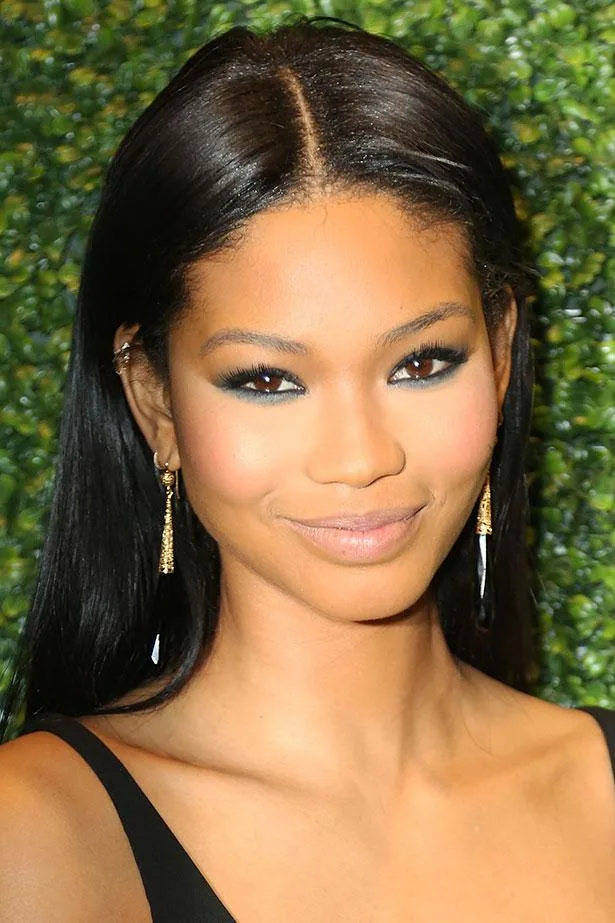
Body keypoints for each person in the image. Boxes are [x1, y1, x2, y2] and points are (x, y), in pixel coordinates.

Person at [0, 16, 613, 922]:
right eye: (267, 379)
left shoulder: (597, 788)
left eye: (421, 363)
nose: (361, 457)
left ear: (501, 350)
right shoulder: (37, 832)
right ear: (154, 401)